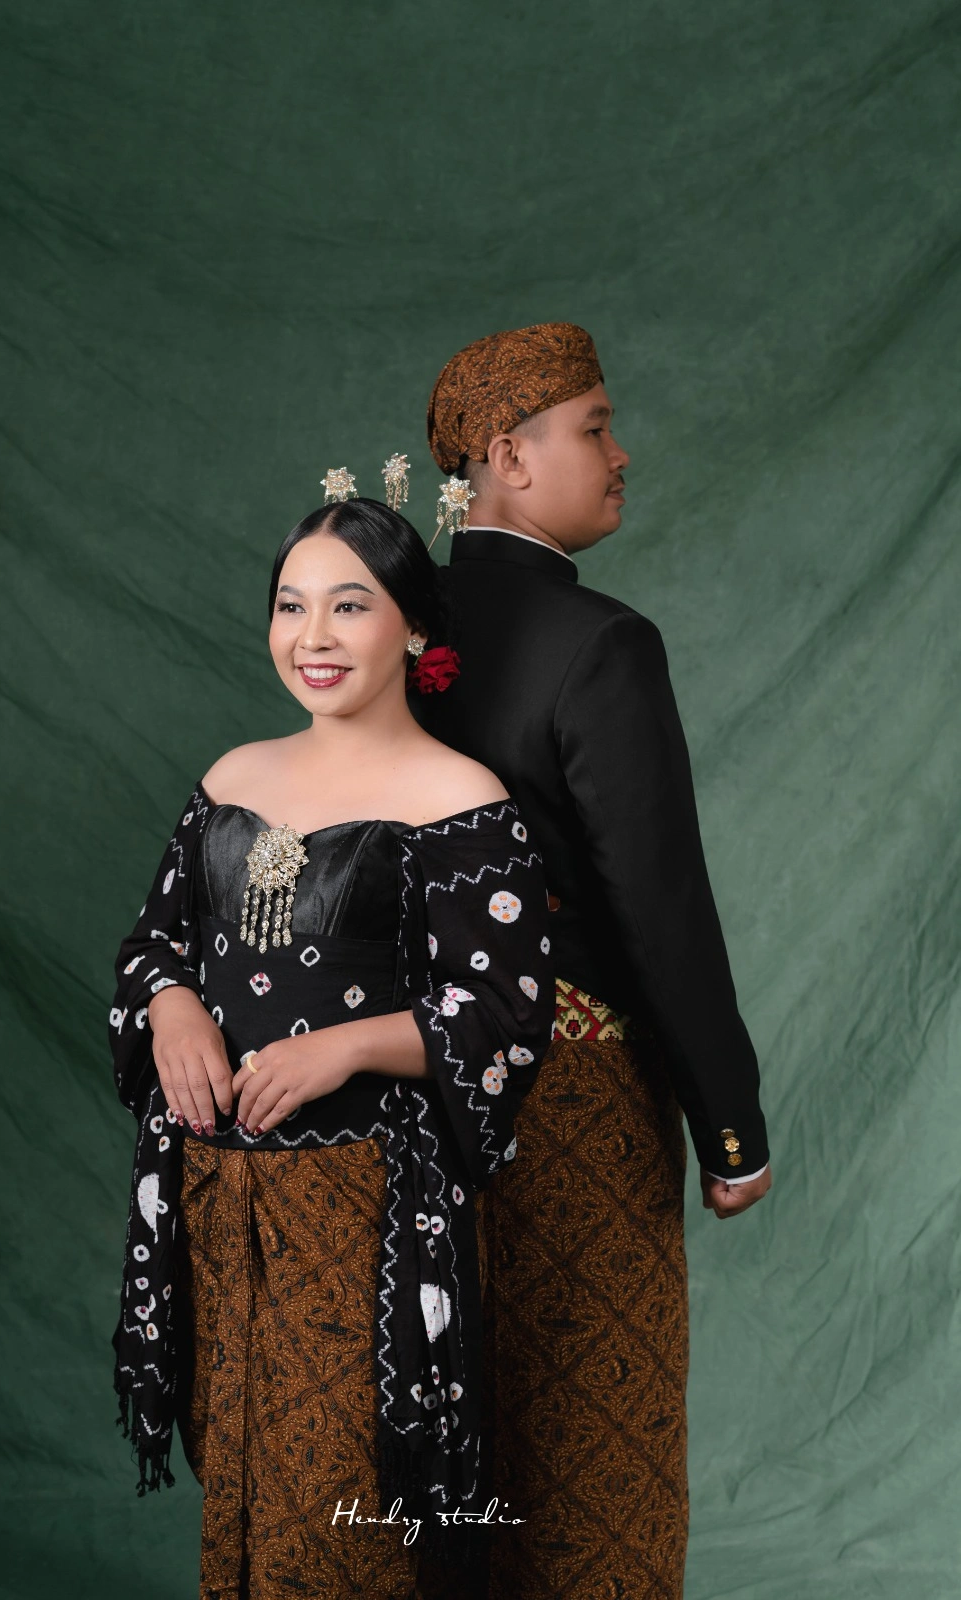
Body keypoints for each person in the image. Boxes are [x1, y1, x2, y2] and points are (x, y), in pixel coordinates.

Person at [107, 489, 555, 1600]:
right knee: (242, 1487)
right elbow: (152, 945)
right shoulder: (230, 777)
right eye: (290, 605)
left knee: (341, 1515)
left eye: (348, 606)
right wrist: (172, 1006)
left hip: (368, 1207)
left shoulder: (460, 797)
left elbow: (505, 1011)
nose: (312, 636)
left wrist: (344, 1048)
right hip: (217, 1201)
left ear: (413, 626)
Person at [415, 322, 773, 1599]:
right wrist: (730, 1125)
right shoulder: (599, 642)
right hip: (567, 1098)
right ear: (507, 455)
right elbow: (656, 907)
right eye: (595, 428)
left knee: (445, 1428)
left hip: (406, 1094)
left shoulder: (379, 625)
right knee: (586, 1451)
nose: (621, 456)